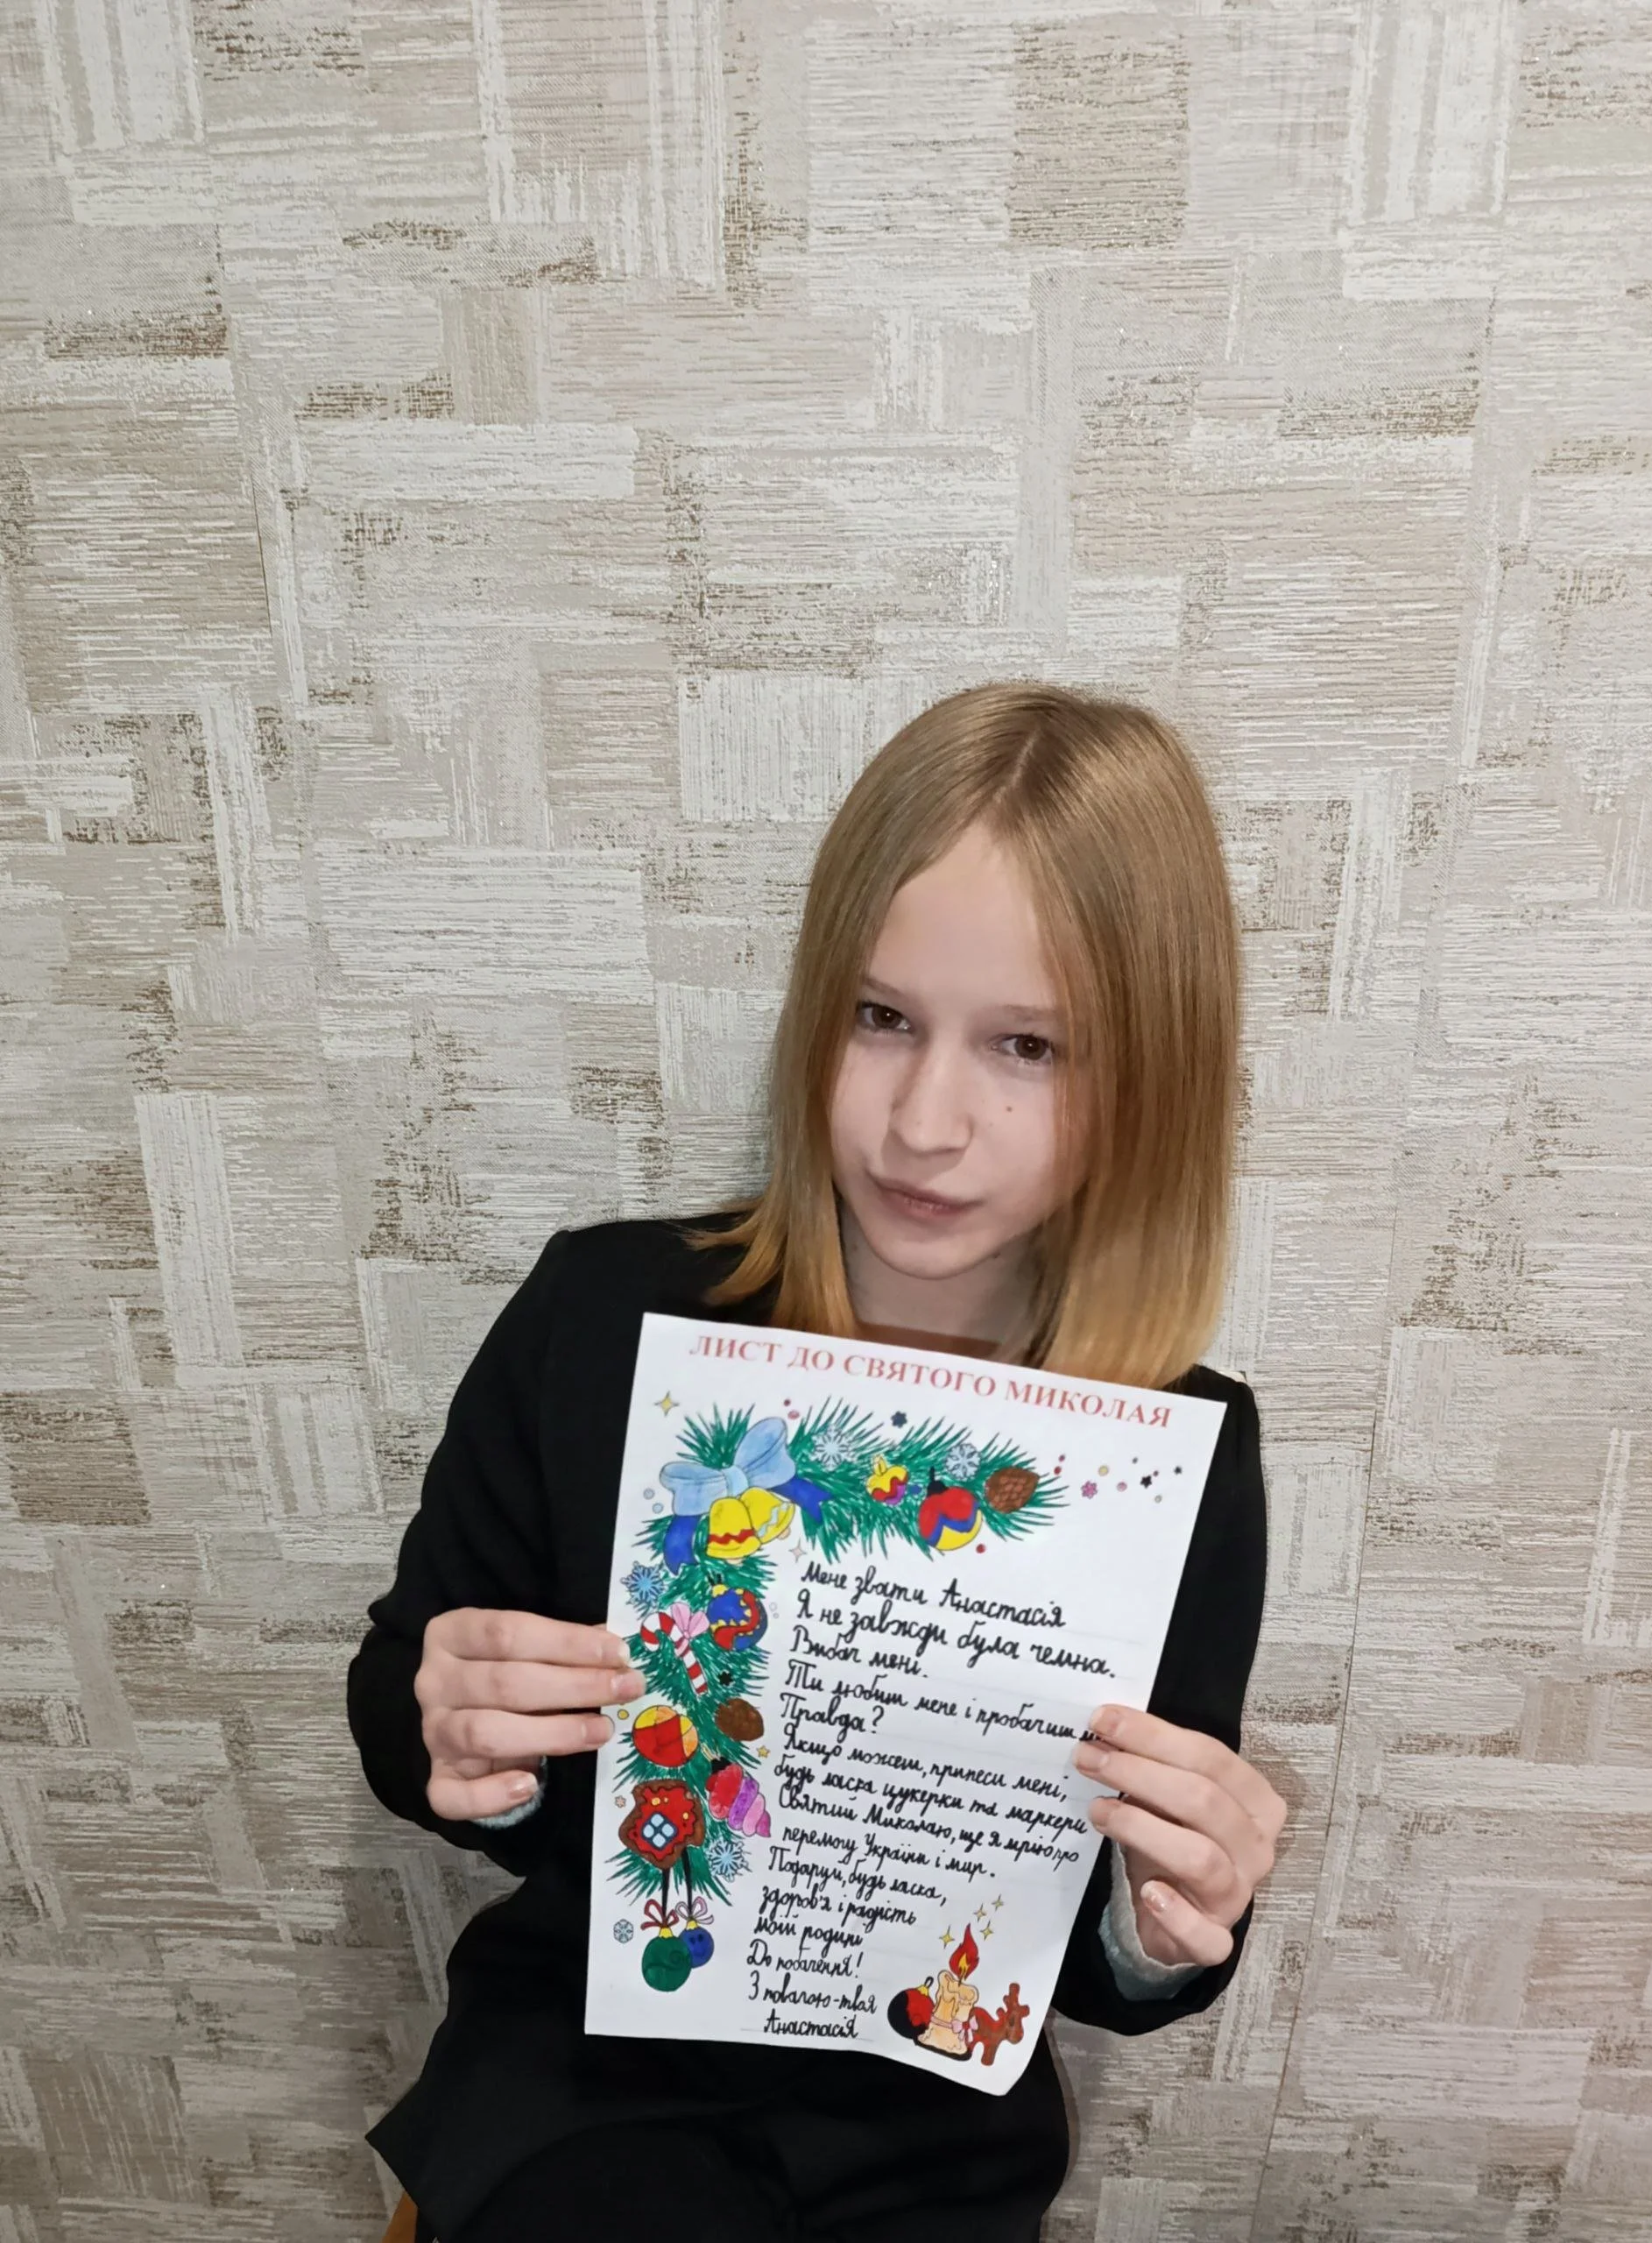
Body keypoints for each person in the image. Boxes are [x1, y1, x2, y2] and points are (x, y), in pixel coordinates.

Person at [348, 683, 1287, 2242]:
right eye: (881, 1018)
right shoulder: (607, 1318)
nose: (928, 1123)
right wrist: (460, 1735)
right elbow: (404, 1702)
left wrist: (1167, 1924)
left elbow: (1109, 1972)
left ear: (1152, 1082)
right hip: (585, 2085)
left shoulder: (1170, 1451)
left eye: (1030, 1046)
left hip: (924, 2129)